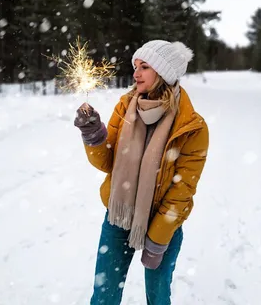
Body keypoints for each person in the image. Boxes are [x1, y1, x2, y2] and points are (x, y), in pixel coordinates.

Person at [74, 40, 209, 305]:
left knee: (158, 298)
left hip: (162, 224)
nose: (136, 73)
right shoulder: (126, 107)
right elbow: (107, 162)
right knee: (104, 296)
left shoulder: (192, 127)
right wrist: (93, 135)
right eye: (136, 66)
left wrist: (157, 238)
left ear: (164, 73)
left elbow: (183, 190)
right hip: (119, 216)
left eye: (144, 67)